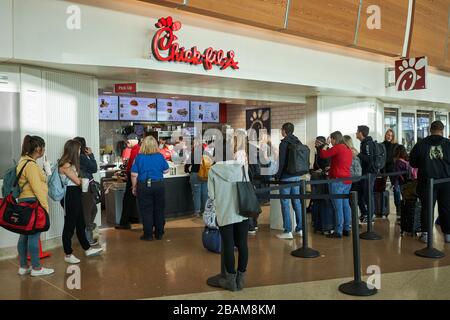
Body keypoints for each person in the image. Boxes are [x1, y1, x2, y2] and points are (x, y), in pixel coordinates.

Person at [15, 135, 54, 277]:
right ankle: (36, 268)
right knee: (33, 236)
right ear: (38, 148)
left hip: (24, 202)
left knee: (24, 236)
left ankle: (23, 267)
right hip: (33, 202)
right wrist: (45, 207)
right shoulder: (31, 165)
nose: (44, 150)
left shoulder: (22, 162)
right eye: (43, 147)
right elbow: (37, 188)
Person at [59, 140, 103, 264]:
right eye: (78, 150)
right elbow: (78, 181)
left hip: (76, 194)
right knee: (69, 225)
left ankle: (87, 248)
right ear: (73, 150)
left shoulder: (71, 164)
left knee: (81, 223)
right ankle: (68, 254)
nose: (80, 152)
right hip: (69, 195)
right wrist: (82, 179)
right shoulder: (65, 164)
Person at [208, 160, 249, 291]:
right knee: (243, 244)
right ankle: (240, 280)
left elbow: (211, 195)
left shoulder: (213, 170)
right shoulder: (242, 167)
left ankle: (230, 281)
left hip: (225, 212)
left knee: (228, 245)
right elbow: (247, 185)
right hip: (242, 211)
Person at [409, 121, 450, 244]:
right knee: (446, 208)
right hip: (446, 182)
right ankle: (448, 234)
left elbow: (413, 163)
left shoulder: (420, 144)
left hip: (427, 182)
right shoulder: (448, 144)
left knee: (427, 208)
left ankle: (426, 234)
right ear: (442, 130)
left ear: (430, 129)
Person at [131, 136, 169, 241]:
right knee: (159, 209)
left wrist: (134, 187)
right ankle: (159, 233)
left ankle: (148, 235)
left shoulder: (139, 157)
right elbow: (166, 171)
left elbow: (134, 174)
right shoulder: (160, 156)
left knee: (146, 210)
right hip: (158, 185)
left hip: (143, 185)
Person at [320, 131, 353, 238]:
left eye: (331, 140)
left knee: (337, 206)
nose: (331, 142)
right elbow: (341, 162)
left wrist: (326, 144)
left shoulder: (338, 147)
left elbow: (323, 154)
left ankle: (338, 231)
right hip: (347, 180)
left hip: (337, 181)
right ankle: (346, 228)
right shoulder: (348, 148)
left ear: (334, 139)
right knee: (345, 205)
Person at [274, 123, 303, 239]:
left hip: (286, 177)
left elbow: (281, 162)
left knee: (285, 203)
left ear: (284, 131)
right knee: (297, 202)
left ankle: (287, 230)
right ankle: (300, 229)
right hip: (297, 176)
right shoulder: (298, 141)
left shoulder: (284, 143)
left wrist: (277, 176)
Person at [73, 137, 99, 246]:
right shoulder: (83, 157)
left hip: (81, 186)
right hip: (86, 187)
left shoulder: (74, 157)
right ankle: (88, 237)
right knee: (89, 211)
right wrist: (91, 155)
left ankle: (86, 231)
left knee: (91, 210)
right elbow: (94, 168)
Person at [116, 134, 141, 229]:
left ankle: (124, 222)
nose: (127, 143)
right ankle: (132, 218)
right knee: (131, 200)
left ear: (134, 140)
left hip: (133, 178)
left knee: (127, 200)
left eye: (128, 141)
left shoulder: (136, 150)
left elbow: (133, 168)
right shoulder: (135, 149)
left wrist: (130, 177)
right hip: (134, 177)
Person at [356, 125, 377, 224]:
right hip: (364, 173)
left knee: (369, 194)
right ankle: (365, 213)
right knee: (361, 193)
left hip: (369, 173)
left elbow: (369, 159)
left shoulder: (367, 144)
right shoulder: (363, 143)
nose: (356, 133)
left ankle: (370, 216)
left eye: (357, 131)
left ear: (361, 133)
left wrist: (358, 154)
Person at [185, 138, 208, 217]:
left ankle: (197, 212)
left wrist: (187, 170)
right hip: (205, 175)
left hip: (196, 174)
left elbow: (188, 163)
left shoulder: (194, 152)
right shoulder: (206, 152)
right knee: (205, 194)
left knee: (196, 194)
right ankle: (205, 211)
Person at [380, 129, 401, 215]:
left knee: (396, 189)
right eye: (388, 135)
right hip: (383, 169)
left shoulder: (396, 146)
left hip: (393, 170)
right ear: (385, 135)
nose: (389, 137)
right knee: (381, 189)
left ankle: (398, 209)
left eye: (391, 135)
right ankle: (382, 209)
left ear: (393, 136)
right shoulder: (381, 145)